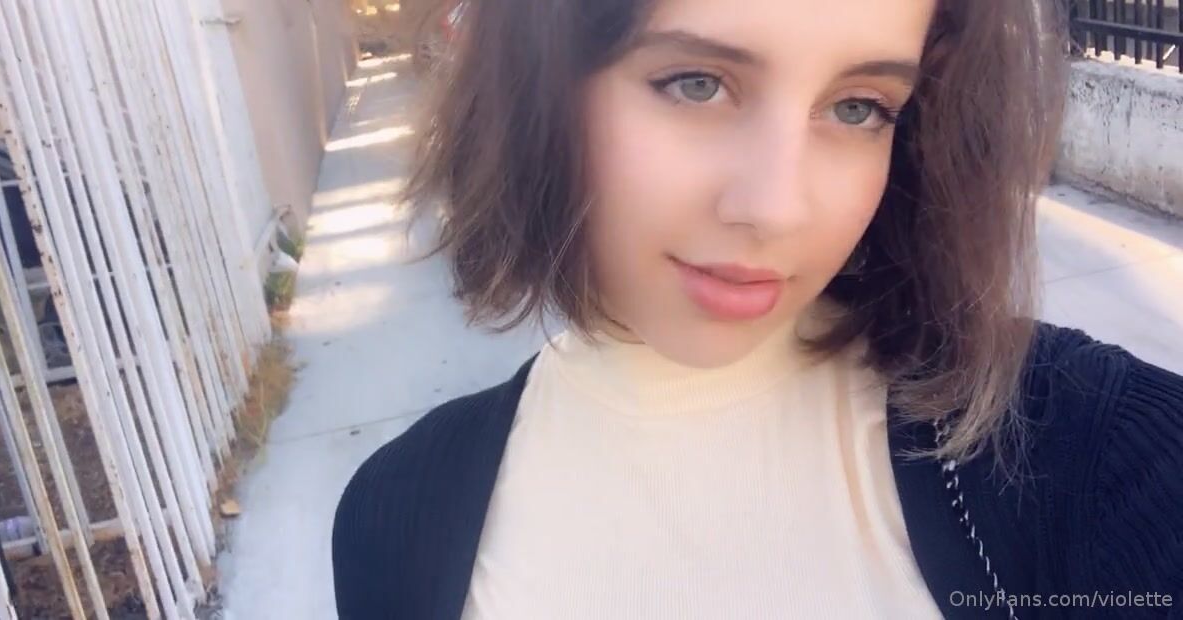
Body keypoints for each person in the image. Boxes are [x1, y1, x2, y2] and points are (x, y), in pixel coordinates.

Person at [332, 0, 1183, 617]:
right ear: (534, 88)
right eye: (697, 83)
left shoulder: (1102, 458)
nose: (777, 208)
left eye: (858, 107)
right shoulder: (396, 521)